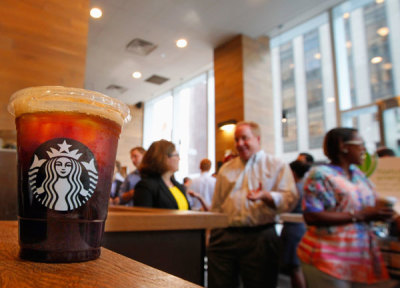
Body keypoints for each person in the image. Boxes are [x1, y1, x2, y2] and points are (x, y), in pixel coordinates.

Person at [297, 127, 396, 288]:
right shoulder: (320, 174)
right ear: (343, 146)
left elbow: (371, 203)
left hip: (359, 259)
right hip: (327, 258)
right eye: (360, 143)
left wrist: (385, 212)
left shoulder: (358, 174)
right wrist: (362, 215)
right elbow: (312, 216)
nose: (364, 148)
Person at [207, 121, 298, 288]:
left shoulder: (276, 165)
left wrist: (266, 196)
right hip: (224, 236)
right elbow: (217, 205)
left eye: (244, 138)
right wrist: (211, 234)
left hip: (260, 237)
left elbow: (289, 199)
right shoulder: (226, 168)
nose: (240, 144)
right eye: (236, 139)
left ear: (257, 139)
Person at [280, 160, 311, 288]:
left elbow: (285, 208)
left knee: (295, 268)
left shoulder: (295, 189)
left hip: (293, 229)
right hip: (302, 229)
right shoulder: (305, 186)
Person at [133, 140, 190, 210]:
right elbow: (143, 219)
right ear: (164, 158)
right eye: (176, 155)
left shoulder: (177, 186)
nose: (179, 159)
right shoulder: (146, 186)